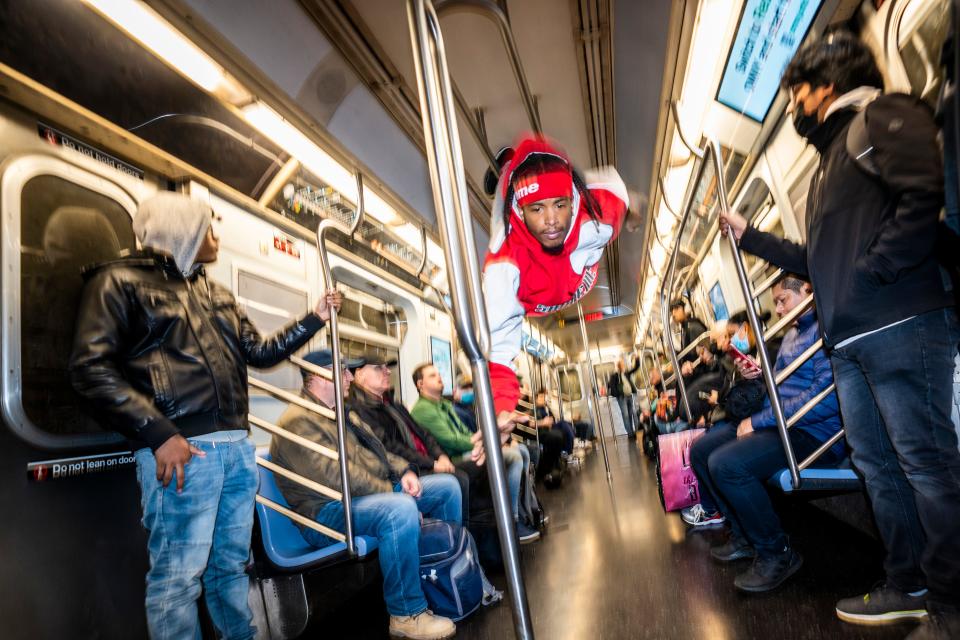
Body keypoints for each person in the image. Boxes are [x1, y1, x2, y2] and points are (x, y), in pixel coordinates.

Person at [721, 31, 960, 636]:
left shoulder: (882, 116)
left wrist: (873, 273)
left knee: (926, 466)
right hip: (851, 343)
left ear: (824, 86)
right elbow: (816, 258)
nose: (796, 106)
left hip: (900, 323)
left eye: (797, 92)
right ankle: (907, 583)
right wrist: (752, 237)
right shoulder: (830, 165)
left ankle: (953, 604)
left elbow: (922, 194)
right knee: (880, 469)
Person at [68, 193, 341, 640]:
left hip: (235, 449)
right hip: (183, 452)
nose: (216, 236)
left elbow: (260, 351)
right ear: (185, 232)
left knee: (230, 569)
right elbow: (89, 368)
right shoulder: (119, 282)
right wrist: (158, 433)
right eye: (209, 227)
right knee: (177, 582)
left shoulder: (216, 293)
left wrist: (314, 318)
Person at [272, 350, 459, 640]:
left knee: (446, 487)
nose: (349, 377)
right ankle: (406, 614)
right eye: (343, 371)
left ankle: (443, 582)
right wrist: (395, 494)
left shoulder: (342, 413)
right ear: (321, 376)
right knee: (398, 510)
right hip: (325, 512)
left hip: (359, 499)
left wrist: (405, 473)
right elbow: (338, 478)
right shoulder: (298, 420)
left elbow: (379, 454)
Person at [480, 134, 635, 461]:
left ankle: (521, 172)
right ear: (522, 210)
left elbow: (625, 203)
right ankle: (507, 168)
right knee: (499, 220)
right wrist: (502, 410)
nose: (551, 220)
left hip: (578, 278)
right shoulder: (504, 264)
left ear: (572, 198)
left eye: (559, 205)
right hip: (533, 296)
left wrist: (633, 213)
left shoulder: (601, 210)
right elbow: (498, 354)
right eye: (537, 208)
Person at [685, 274, 843, 593]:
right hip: (782, 423)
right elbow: (779, 389)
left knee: (727, 464)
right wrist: (754, 378)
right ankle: (744, 536)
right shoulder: (790, 336)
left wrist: (759, 422)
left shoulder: (825, 330)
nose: (780, 310)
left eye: (783, 300)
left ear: (808, 292)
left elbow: (823, 400)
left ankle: (777, 553)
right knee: (702, 451)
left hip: (813, 433)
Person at [410, 363, 539, 543]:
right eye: (432, 375)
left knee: (522, 450)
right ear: (420, 384)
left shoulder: (444, 405)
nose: (439, 377)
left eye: (439, 373)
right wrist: (489, 444)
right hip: (452, 459)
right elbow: (452, 441)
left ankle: (524, 511)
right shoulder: (423, 410)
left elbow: (465, 434)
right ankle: (512, 523)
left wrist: (487, 443)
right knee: (513, 456)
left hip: (466, 451)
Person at [670, 299, 708, 377]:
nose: (673, 314)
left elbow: (703, 351)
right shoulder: (684, 328)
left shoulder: (693, 326)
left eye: (676, 308)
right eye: (672, 310)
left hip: (701, 371)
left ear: (686, 309)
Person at [607, 355, 641, 438]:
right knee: (625, 415)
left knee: (631, 413)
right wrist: (618, 394)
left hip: (629, 396)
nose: (624, 366)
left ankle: (636, 431)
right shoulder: (614, 376)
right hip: (622, 398)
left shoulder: (626, 373)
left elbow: (635, 368)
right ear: (619, 366)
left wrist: (637, 360)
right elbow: (612, 386)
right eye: (622, 365)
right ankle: (630, 433)